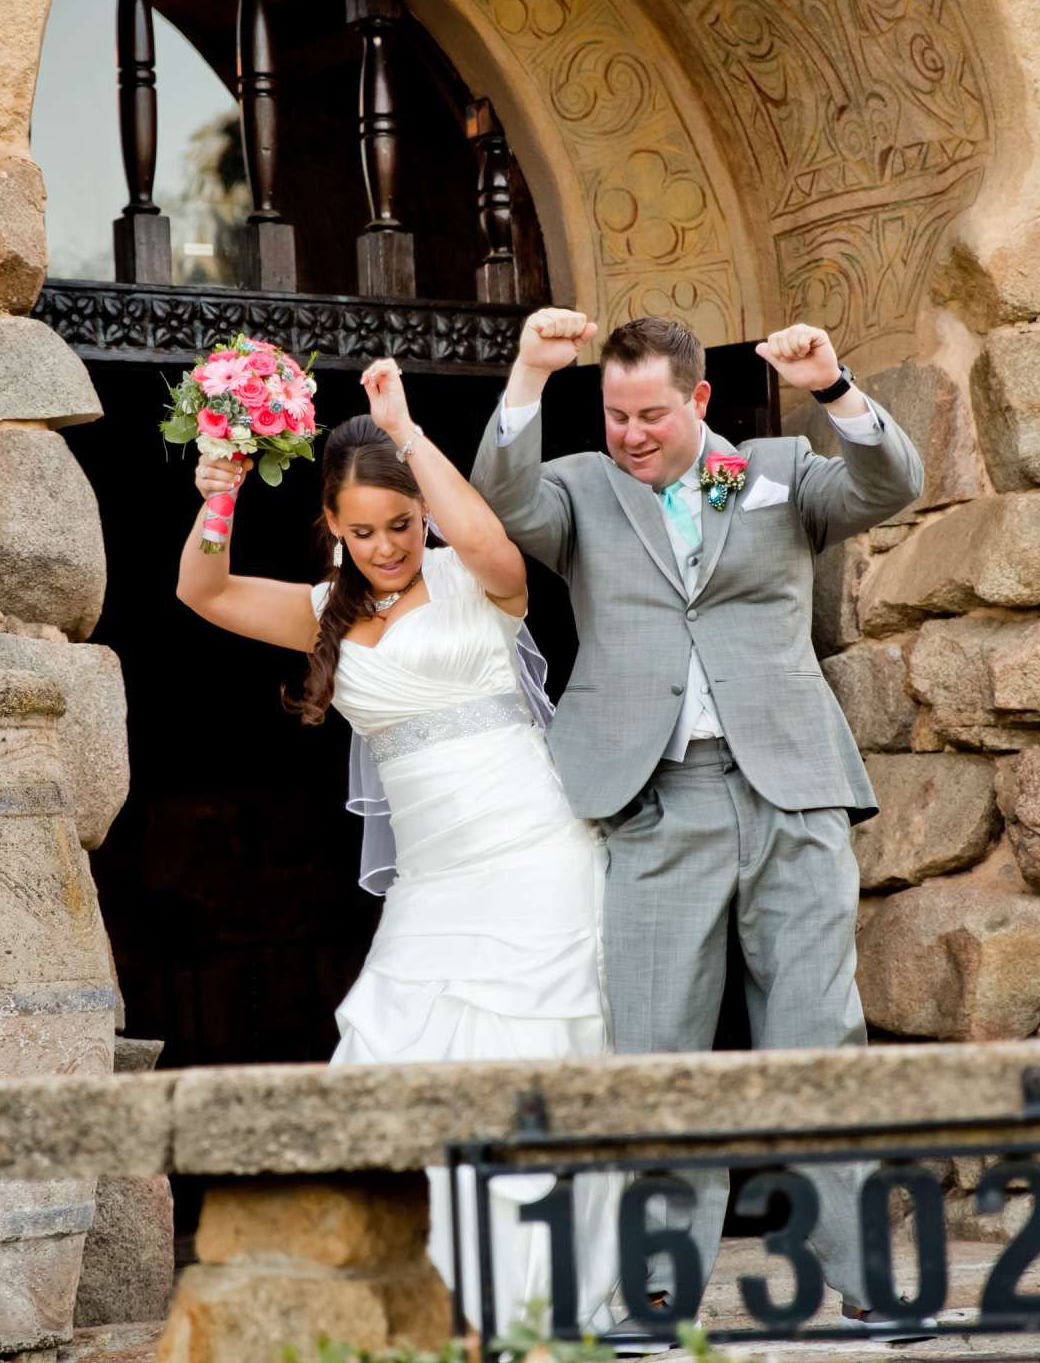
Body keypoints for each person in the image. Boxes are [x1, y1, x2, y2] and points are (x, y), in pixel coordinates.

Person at [470, 309, 924, 1326]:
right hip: (655, 798)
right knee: (658, 1043)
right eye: (614, 412)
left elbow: (893, 483)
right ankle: (660, 1286)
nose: (629, 432)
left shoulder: (775, 469)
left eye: (650, 414)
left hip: (792, 788)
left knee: (820, 1034)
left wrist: (834, 387)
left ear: (699, 400)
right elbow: (497, 498)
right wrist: (532, 378)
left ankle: (862, 1278)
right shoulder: (581, 490)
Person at [174, 358, 620, 1335]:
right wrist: (224, 487)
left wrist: (407, 431)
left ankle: (539, 1304)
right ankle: (417, 1302)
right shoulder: (322, 610)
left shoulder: (476, 582)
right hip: (434, 880)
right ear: (332, 524)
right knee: (394, 1061)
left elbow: (499, 547)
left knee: (531, 1060)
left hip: (536, 852)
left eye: (402, 525)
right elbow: (202, 592)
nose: (387, 546)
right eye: (364, 529)